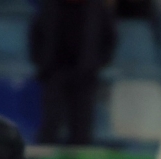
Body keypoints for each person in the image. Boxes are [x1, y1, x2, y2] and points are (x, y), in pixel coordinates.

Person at [30, 0, 116, 145]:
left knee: (81, 129)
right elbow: (36, 34)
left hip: (85, 77)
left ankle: (79, 157)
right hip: (54, 74)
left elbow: (109, 38)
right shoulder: (50, 7)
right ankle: (46, 157)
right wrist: (42, 62)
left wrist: (96, 63)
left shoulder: (97, 9)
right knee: (50, 125)